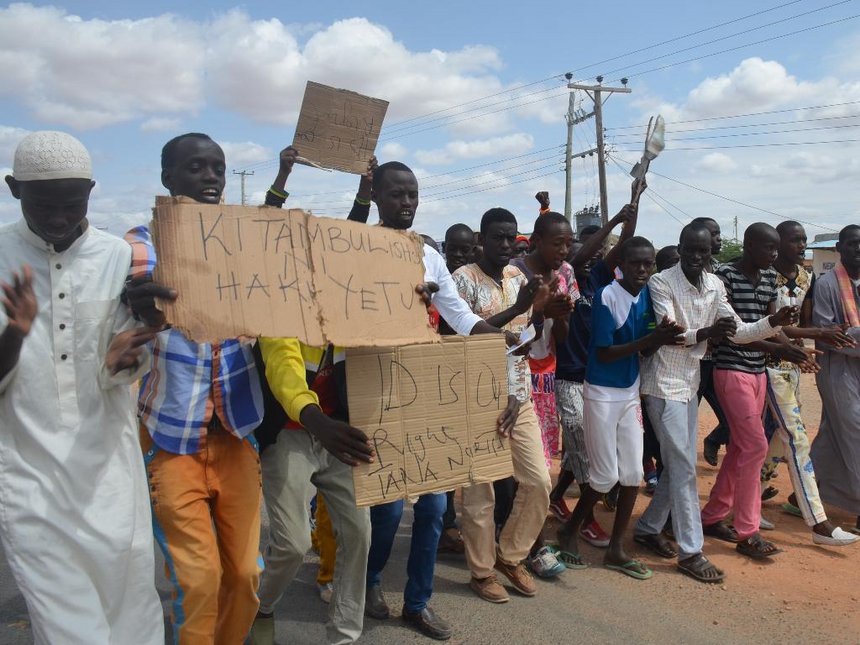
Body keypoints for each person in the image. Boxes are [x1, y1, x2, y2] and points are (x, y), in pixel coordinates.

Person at [123, 134, 296, 643]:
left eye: (217, 167)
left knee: (244, 576)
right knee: (198, 581)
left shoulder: (245, 246)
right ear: (167, 179)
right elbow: (134, 304)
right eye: (195, 167)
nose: (211, 177)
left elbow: (306, 286)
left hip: (234, 434)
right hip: (172, 441)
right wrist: (142, 308)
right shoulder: (141, 246)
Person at [0, 131, 163, 644]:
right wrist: (18, 330)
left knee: (131, 607)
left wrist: (128, 352)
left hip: (109, 471)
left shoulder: (117, 256)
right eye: (43, 204)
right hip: (29, 476)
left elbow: (122, 364)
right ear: (13, 189)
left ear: (92, 192)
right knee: (68, 625)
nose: (58, 217)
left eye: (71, 203)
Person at [362, 161, 514, 641]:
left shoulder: (429, 258)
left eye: (413, 195)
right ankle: (367, 583)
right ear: (377, 198)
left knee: (430, 507)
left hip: (425, 389)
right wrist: (398, 301)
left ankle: (417, 603)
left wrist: (509, 333)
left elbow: (464, 319)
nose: (406, 203)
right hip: (376, 387)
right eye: (396, 195)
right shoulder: (356, 249)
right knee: (386, 510)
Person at [633, 223, 795, 583]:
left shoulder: (714, 285)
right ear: (680, 247)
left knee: (678, 466)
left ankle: (648, 528)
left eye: (702, 252)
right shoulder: (661, 282)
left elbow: (738, 332)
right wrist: (707, 333)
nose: (695, 257)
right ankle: (692, 552)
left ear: (711, 255)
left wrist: (772, 322)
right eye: (690, 249)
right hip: (662, 385)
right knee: (684, 468)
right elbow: (668, 333)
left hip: (688, 384)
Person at [557, 236, 685, 579]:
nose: (642, 269)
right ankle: (568, 532)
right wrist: (652, 340)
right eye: (635, 263)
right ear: (621, 266)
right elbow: (604, 352)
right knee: (604, 475)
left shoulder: (647, 295)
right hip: (600, 392)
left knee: (633, 473)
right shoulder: (607, 296)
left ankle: (616, 548)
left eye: (648, 263)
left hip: (629, 392)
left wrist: (660, 339)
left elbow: (644, 350)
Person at [454, 207, 562, 597]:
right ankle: (482, 572)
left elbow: (526, 336)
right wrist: (518, 311)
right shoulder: (461, 281)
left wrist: (537, 317)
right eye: (497, 237)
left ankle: (510, 556)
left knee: (538, 481)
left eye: (510, 238)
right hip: (474, 398)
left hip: (520, 396)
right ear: (481, 240)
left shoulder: (520, 278)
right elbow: (462, 337)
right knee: (479, 494)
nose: (504, 245)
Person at [700, 223, 813, 559]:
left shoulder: (767, 280)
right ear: (749, 245)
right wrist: (779, 348)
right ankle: (748, 531)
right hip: (730, 369)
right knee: (755, 444)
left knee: (740, 447)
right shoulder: (725, 277)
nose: (774, 255)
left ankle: (713, 515)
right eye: (768, 249)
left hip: (757, 371)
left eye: (776, 249)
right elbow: (734, 331)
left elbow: (770, 322)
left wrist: (792, 346)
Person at [251, 335, 374, 645]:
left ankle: (344, 635)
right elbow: (282, 364)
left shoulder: (362, 301)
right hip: (289, 432)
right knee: (293, 543)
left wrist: (412, 309)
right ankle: (262, 608)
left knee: (359, 532)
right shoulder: (285, 299)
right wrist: (315, 419)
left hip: (341, 433)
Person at [759, 221, 857, 546]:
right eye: (793, 240)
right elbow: (772, 326)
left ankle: (751, 496)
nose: (800, 246)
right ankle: (820, 523)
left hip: (793, 364)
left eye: (803, 240)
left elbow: (802, 320)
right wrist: (816, 338)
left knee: (779, 437)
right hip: (770, 363)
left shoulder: (806, 277)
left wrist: (804, 351)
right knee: (798, 437)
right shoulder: (765, 277)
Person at [549, 203, 638, 545]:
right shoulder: (562, 278)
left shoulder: (598, 281)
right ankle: (585, 520)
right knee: (583, 446)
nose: (592, 257)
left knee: (579, 449)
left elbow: (622, 248)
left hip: (595, 380)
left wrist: (632, 207)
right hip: (567, 378)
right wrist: (613, 218)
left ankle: (557, 497)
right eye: (581, 253)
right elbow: (578, 257)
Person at [511, 211, 577, 466]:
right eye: (558, 243)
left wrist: (559, 315)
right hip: (517, 372)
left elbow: (562, 337)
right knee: (519, 455)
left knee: (544, 454)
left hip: (546, 373)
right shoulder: (513, 273)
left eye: (569, 244)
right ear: (537, 240)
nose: (564, 250)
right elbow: (510, 334)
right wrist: (539, 311)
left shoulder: (565, 274)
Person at [810, 224, 860, 535]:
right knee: (856, 431)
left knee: (832, 435)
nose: (859, 249)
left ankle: (806, 491)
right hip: (836, 370)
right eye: (853, 244)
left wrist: (849, 333)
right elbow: (827, 336)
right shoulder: (827, 285)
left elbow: (844, 332)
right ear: (840, 248)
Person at [695, 217, 732, 467]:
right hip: (693, 360)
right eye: (714, 234)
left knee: (733, 417)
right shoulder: (687, 271)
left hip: (716, 359)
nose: (719, 239)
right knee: (680, 423)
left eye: (719, 234)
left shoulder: (721, 272)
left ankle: (717, 442)